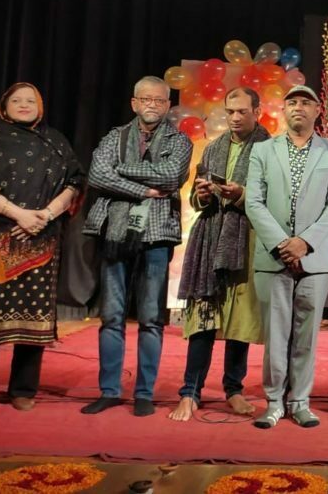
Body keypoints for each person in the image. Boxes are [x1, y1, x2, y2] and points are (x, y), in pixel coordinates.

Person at [0, 82, 84, 415]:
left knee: (34, 313)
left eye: (30, 100)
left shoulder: (55, 140)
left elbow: (75, 181)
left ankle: (23, 389)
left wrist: (46, 215)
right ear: (4, 106)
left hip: (42, 235)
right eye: (16, 100)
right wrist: (18, 214)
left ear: (41, 106)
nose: (24, 105)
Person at [81, 76, 191, 417]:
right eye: (146, 99)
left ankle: (144, 393)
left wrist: (122, 172)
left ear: (168, 105)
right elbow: (97, 176)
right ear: (134, 103)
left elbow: (171, 176)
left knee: (151, 318)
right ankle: (109, 390)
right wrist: (143, 189)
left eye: (159, 100)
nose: (152, 105)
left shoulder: (179, 140)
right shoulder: (114, 137)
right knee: (112, 315)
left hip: (157, 235)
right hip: (115, 233)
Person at [245, 84, 328, 429]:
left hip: (314, 260)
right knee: (275, 335)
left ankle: (300, 401)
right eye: (292, 102)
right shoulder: (262, 150)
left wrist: (305, 242)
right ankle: (274, 402)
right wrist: (281, 243)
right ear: (283, 110)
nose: (298, 107)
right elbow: (253, 201)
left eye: (306, 102)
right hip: (272, 257)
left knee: (307, 335)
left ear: (318, 110)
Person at [169, 88, 269, 422]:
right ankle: (190, 391)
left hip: (247, 240)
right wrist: (200, 195)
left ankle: (234, 389)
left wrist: (241, 195)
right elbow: (196, 200)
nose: (235, 118)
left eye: (242, 111)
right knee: (203, 317)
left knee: (239, 319)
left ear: (257, 111)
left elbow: (275, 199)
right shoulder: (213, 148)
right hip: (210, 241)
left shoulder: (269, 149)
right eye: (230, 112)